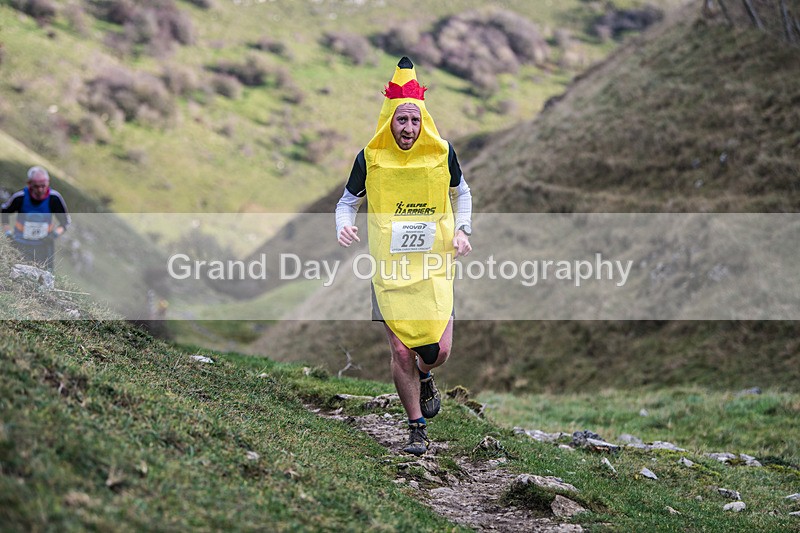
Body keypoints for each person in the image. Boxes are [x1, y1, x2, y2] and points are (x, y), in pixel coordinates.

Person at [336, 57, 473, 455]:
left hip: (433, 266)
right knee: (400, 350)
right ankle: (416, 427)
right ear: (389, 122)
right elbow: (347, 202)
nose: (408, 128)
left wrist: (463, 230)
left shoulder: (442, 153)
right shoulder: (370, 157)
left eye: (414, 121)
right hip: (389, 269)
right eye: (401, 121)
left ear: (423, 120)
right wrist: (343, 225)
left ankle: (426, 376)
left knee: (438, 350)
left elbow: (461, 192)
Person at [2, 166, 71, 272]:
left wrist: (54, 235)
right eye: (36, 186)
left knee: (46, 277)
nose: (40, 189)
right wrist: (8, 233)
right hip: (20, 244)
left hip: (44, 246)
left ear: (48, 183)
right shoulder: (20, 197)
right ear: (29, 183)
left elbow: (65, 222)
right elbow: (4, 213)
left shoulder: (54, 198)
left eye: (43, 186)